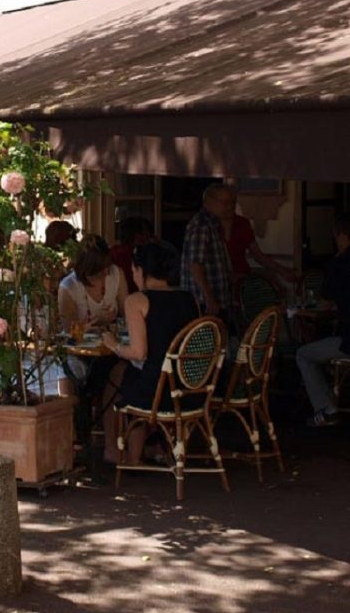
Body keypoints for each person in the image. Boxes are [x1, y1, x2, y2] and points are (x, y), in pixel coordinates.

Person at [101, 241, 198, 463]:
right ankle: (152, 445)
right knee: (126, 374)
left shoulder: (137, 300)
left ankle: (119, 451)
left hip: (157, 391)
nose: (133, 276)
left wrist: (113, 344)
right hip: (191, 387)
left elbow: (138, 352)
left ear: (142, 271)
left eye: (134, 270)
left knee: (116, 376)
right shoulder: (189, 298)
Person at [296, 213, 350, 427]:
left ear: (340, 236)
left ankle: (327, 409)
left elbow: (326, 299)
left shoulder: (340, 263)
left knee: (303, 354)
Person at [219, 185, 297, 284]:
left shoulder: (242, 223)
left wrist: (282, 270)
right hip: (219, 281)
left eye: (233, 201)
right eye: (225, 202)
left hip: (243, 279)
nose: (230, 205)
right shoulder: (209, 226)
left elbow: (258, 255)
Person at [180, 184, 233, 320]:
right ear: (209, 201)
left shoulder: (214, 224)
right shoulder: (201, 225)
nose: (229, 206)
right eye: (224, 202)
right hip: (203, 302)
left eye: (230, 202)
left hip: (217, 298)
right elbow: (195, 265)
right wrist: (209, 297)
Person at [58, 233, 128, 332]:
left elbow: (127, 313)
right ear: (88, 269)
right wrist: (98, 321)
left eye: (107, 266)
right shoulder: (69, 286)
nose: (107, 273)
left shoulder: (116, 274)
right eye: (100, 270)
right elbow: (68, 330)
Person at [110, 216, 154, 293]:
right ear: (137, 236)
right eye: (145, 234)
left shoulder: (112, 252)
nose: (148, 238)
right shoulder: (137, 256)